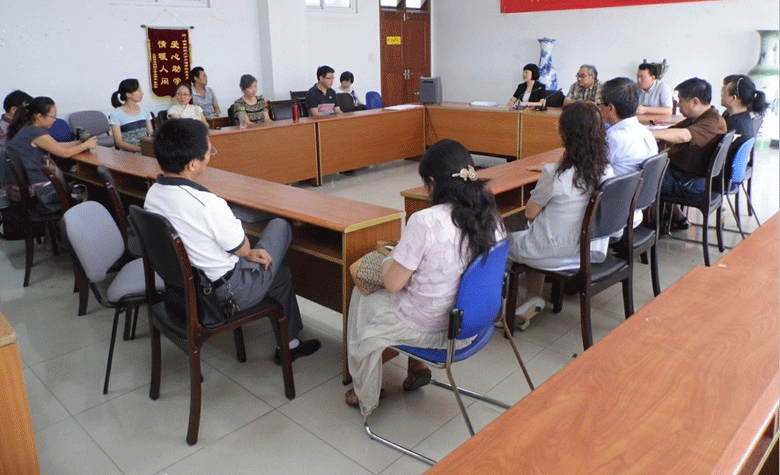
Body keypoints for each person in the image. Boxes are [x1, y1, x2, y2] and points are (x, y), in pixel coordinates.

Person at [345, 139, 505, 415]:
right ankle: (416, 366)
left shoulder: (425, 221)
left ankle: (365, 394)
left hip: (436, 330)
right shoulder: (491, 215)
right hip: (474, 323)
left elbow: (393, 284)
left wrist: (390, 260)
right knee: (424, 286)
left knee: (363, 295)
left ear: (432, 182)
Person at [143, 119, 320, 363]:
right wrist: (247, 249)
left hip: (184, 292)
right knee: (280, 225)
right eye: (209, 151)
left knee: (280, 273)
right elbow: (243, 247)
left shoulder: (153, 193)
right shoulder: (208, 205)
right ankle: (288, 345)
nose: (210, 156)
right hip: (226, 295)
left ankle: (290, 343)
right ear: (193, 164)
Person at [508, 102, 613, 326]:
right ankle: (531, 300)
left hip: (552, 252)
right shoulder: (606, 169)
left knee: (500, 243)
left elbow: (530, 213)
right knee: (539, 232)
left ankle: (506, 307)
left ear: (567, 134)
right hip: (587, 250)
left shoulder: (554, 174)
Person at [653, 78, 727, 230]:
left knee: (643, 175)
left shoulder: (712, 121)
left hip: (692, 184)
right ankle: (676, 217)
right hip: (687, 176)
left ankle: (644, 226)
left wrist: (647, 135)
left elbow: (684, 135)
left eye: (680, 100)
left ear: (695, 101)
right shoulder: (699, 118)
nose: (678, 105)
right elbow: (672, 131)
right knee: (653, 168)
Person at [5, 96, 96, 211]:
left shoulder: (28, 129)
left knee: (73, 180)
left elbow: (56, 145)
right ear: (39, 116)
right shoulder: (35, 132)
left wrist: (78, 142)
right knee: (89, 188)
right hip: (38, 194)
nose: (54, 120)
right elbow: (64, 153)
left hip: (19, 189)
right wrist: (86, 145)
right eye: (53, 117)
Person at [600, 77, 658, 176]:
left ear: (611, 108)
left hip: (617, 185)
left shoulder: (612, 139)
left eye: (600, 103)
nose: (599, 108)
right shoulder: (646, 132)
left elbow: (593, 172)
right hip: (643, 185)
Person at [109, 79, 153, 153]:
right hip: (129, 154)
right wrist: (141, 150)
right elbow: (118, 142)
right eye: (138, 90)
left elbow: (151, 134)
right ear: (128, 94)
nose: (142, 93)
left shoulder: (145, 110)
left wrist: (149, 149)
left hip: (146, 150)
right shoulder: (116, 113)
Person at [720, 74, 767, 138]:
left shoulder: (734, 125)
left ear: (733, 98)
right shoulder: (740, 118)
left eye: (724, 91)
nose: (722, 94)